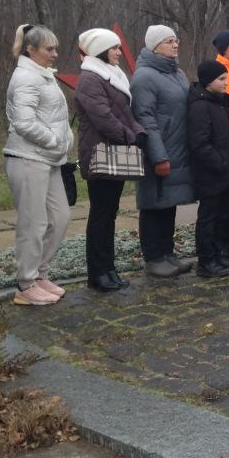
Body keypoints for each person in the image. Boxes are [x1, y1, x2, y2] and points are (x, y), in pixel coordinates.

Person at [3, 24, 72, 306]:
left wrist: (61, 141)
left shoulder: (43, 76)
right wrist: (56, 140)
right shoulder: (25, 78)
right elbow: (23, 122)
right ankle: (26, 283)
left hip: (49, 159)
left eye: (55, 48)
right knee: (33, 223)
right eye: (49, 49)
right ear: (31, 50)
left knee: (61, 217)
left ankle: (40, 274)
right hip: (27, 159)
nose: (54, 54)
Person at [74, 28, 146, 293]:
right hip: (99, 153)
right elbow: (102, 117)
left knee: (109, 214)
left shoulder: (113, 76)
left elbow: (124, 113)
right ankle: (97, 272)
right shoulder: (91, 79)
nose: (119, 52)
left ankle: (109, 268)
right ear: (100, 51)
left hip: (114, 151)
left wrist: (139, 132)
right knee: (100, 215)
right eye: (114, 48)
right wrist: (130, 136)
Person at [131, 25, 194, 278]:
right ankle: (153, 257)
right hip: (160, 151)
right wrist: (158, 155)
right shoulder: (144, 77)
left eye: (176, 40)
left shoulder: (177, 72)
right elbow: (145, 118)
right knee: (153, 204)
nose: (175, 44)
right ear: (155, 46)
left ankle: (168, 253)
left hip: (179, 148)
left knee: (169, 204)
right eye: (169, 41)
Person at [187, 61, 229, 278]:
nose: (225, 83)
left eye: (226, 79)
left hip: (227, 172)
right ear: (208, 81)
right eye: (221, 79)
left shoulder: (220, 102)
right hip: (212, 174)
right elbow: (200, 143)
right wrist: (221, 164)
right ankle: (206, 260)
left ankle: (220, 254)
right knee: (208, 219)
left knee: (223, 216)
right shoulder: (200, 106)